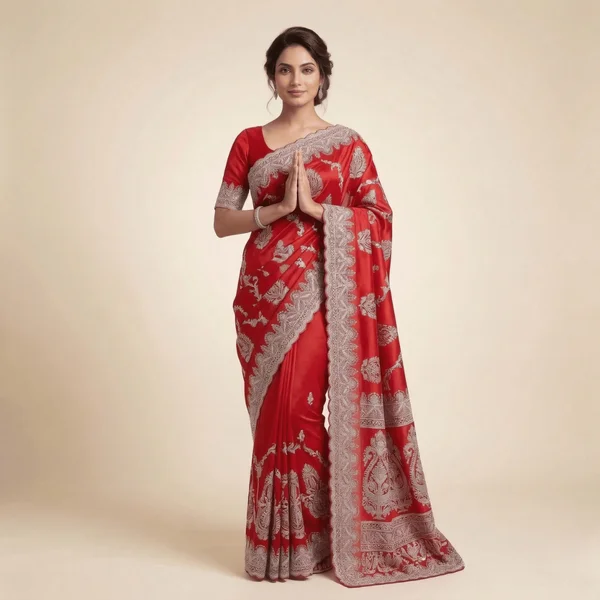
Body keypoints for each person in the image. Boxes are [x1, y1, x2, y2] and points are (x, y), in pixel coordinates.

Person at [213, 26, 465, 587]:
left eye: (306, 69)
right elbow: (222, 221)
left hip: (320, 293)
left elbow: (379, 219)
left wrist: (317, 211)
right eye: (285, 69)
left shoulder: (348, 145)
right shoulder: (248, 142)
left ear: (322, 76)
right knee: (271, 419)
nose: (295, 80)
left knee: (299, 412)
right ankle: (280, 545)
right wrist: (275, 211)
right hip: (260, 297)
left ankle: (315, 539)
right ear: (271, 76)